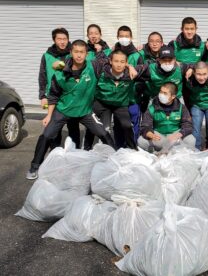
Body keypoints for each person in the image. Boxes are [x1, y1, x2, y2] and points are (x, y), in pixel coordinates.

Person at [26, 40, 115, 180]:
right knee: (47, 135)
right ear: (71, 53)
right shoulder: (60, 73)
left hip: (85, 111)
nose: (79, 55)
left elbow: (111, 60)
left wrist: (127, 64)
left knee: (103, 132)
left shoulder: (93, 67)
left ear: (87, 54)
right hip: (63, 111)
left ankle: (117, 161)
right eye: (76, 52)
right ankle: (34, 166)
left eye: (82, 52)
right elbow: (53, 96)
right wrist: (49, 115)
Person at [82, 50, 138, 150]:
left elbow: (148, 68)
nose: (119, 65)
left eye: (122, 62)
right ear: (110, 61)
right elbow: (83, 62)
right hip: (102, 103)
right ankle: (86, 147)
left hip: (120, 105)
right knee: (94, 125)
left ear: (126, 63)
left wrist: (131, 67)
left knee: (127, 126)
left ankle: (132, 149)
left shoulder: (130, 74)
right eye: (116, 61)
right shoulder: (101, 71)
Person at [38, 27, 81, 148]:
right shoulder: (47, 56)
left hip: (71, 95)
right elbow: (42, 76)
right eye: (59, 39)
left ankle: (75, 151)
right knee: (54, 126)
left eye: (65, 39)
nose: (62, 42)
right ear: (54, 40)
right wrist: (43, 96)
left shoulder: (73, 54)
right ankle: (55, 151)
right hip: (54, 96)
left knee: (73, 126)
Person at [137, 82, 196, 152]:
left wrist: (179, 134)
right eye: (161, 92)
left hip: (175, 136)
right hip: (159, 136)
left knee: (191, 140)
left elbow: (188, 125)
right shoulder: (152, 107)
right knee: (141, 141)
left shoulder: (181, 107)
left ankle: (182, 156)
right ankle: (155, 154)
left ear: (173, 96)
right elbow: (145, 125)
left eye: (165, 93)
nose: (161, 95)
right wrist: (149, 133)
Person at [185, 61, 208, 150]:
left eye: (204, 74)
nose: (201, 77)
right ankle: (196, 148)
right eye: (198, 74)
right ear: (193, 72)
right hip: (196, 105)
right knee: (195, 127)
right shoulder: (188, 79)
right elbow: (180, 65)